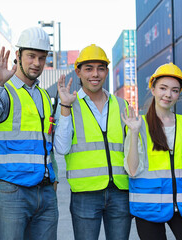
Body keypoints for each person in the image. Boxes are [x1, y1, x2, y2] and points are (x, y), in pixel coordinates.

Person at [0, 27, 58, 240]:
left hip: (45, 192)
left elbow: (47, 144)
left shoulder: (44, 96)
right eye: (31, 56)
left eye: (42, 58)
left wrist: (54, 180)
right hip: (12, 192)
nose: (36, 63)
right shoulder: (4, 90)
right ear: (18, 56)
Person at [54, 44, 131, 240]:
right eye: (89, 69)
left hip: (120, 191)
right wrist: (64, 107)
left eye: (101, 68)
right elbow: (61, 148)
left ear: (106, 71)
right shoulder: (68, 104)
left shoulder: (122, 105)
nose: (95, 74)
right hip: (85, 194)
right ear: (78, 72)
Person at [121, 62, 182, 240]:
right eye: (163, 88)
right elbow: (132, 170)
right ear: (152, 89)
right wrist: (134, 132)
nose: (168, 94)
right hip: (150, 206)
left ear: (179, 94)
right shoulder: (139, 124)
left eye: (174, 90)